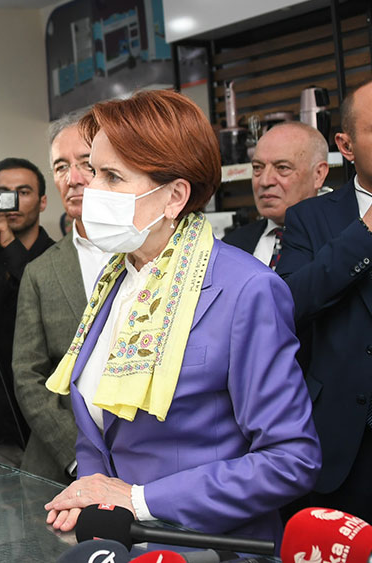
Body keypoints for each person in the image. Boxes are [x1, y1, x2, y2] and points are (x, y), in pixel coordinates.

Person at [42, 89, 321, 543]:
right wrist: (92, 497)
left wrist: (140, 501)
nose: (88, 189)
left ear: (174, 196)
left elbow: (290, 459)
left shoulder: (244, 289)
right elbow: (98, 432)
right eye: (94, 172)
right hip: (119, 545)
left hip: (206, 546)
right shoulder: (115, 281)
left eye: (112, 177)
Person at [276, 79, 372, 522]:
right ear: (346, 145)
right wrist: (366, 232)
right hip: (340, 449)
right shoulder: (309, 219)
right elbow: (289, 304)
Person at [13, 113, 112, 483]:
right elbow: (27, 376)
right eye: (60, 167)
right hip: (60, 470)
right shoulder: (40, 272)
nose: (73, 179)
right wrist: (79, 455)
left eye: (85, 163)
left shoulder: (148, 255)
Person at [0, 157, 54, 468]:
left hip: (51, 418)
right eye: (2, 194)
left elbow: (45, 302)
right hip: (3, 414)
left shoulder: (60, 257)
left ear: (43, 201)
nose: (12, 202)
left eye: (23, 192)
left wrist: (8, 243)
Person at [224, 122, 329, 268]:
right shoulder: (230, 247)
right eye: (257, 168)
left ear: (318, 175)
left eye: (282, 168)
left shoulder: (344, 243)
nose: (265, 181)